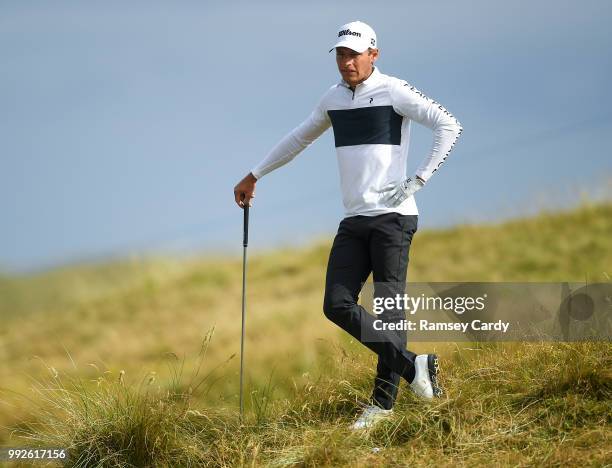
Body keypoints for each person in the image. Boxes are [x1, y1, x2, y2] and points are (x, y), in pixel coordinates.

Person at [233, 20, 462, 430]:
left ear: (373, 54)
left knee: (389, 311)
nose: (346, 61)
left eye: (354, 54)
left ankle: (383, 405)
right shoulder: (332, 99)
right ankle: (415, 368)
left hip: (394, 219)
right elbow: (298, 138)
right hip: (354, 220)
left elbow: (449, 124)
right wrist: (255, 174)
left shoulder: (394, 90)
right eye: (340, 54)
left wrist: (420, 179)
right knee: (336, 304)